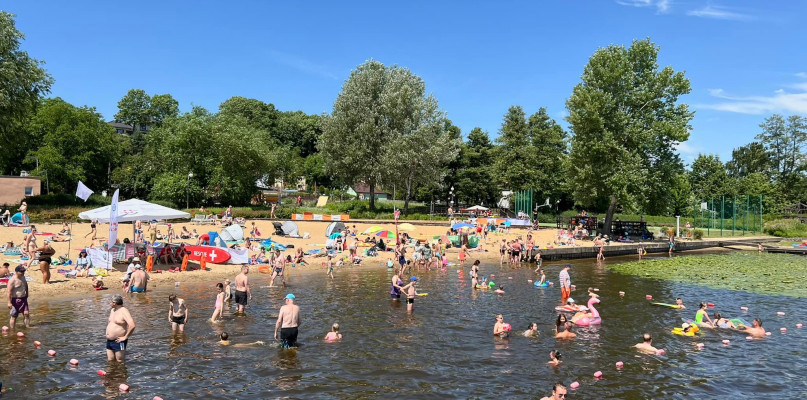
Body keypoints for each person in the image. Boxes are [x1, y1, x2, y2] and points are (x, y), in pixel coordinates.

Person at [106, 295, 135, 362]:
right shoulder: (112, 310)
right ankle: (112, 372)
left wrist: (125, 337)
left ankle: (121, 373)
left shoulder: (124, 311)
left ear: (114, 303)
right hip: (109, 340)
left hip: (119, 341)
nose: (109, 303)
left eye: (110, 302)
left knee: (120, 361)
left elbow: (132, 325)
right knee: (110, 360)